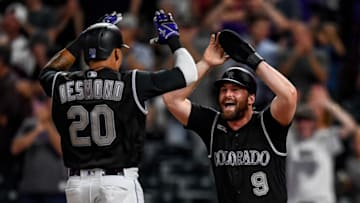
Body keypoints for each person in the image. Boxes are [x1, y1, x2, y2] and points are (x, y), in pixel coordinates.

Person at [38, 10, 198, 203]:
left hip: (77, 187)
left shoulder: (62, 82)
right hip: (117, 184)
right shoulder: (132, 81)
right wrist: (174, 40)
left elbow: (48, 71)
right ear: (116, 53)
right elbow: (189, 73)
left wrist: (84, 39)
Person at [163, 31, 297, 202]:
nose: (228, 94)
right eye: (224, 90)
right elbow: (171, 99)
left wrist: (253, 61)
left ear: (251, 98)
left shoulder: (267, 124)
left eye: (235, 90)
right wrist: (206, 63)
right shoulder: (212, 125)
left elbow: (289, 94)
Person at [286, 85, 357, 203]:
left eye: (308, 120)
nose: (304, 124)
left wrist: (327, 103)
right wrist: (294, 102)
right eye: (301, 120)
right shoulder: (290, 138)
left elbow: (351, 126)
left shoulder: (325, 137)